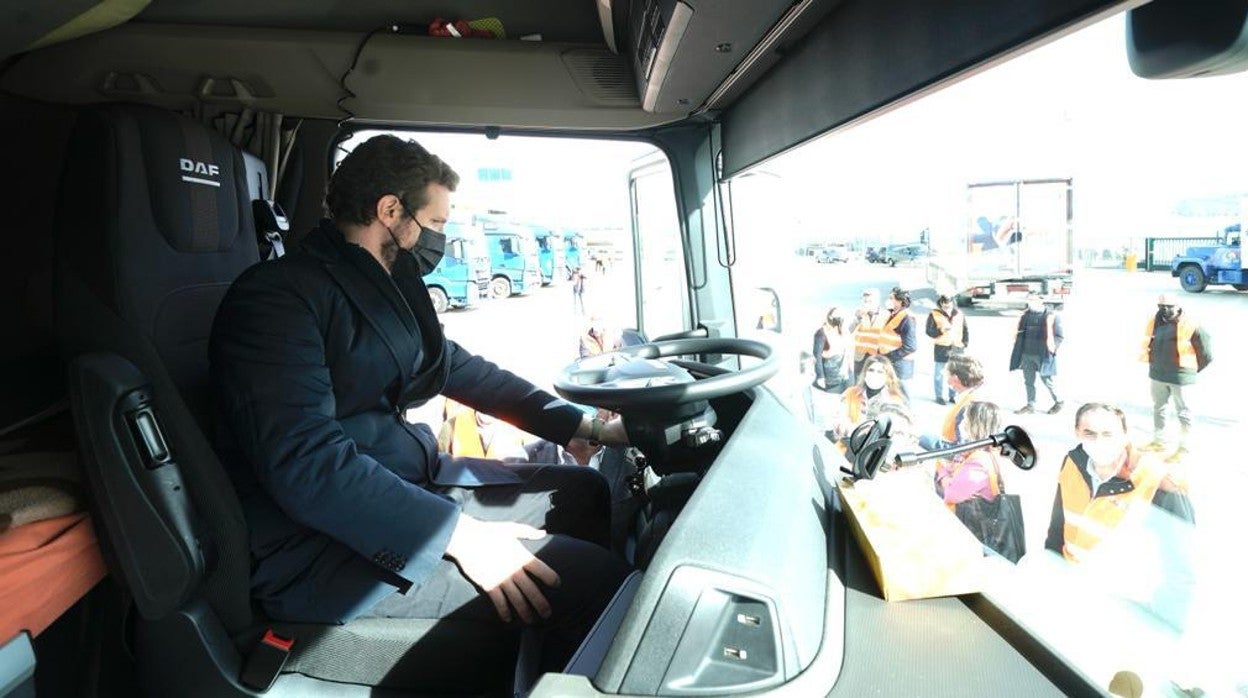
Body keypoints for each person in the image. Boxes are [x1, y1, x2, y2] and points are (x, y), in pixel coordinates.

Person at [210, 135, 631, 671]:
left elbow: (452, 366)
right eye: (435, 223)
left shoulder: (379, 282)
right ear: (390, 211)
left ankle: (540, 658)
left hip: (405, 482)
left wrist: (582, 427)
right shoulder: (279, 299)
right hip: (319, 547)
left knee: (585, 492)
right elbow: (309, 466)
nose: (441, 238)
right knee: (601, 584)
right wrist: (460, 537)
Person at [1044, 403, 1193, 563]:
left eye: (1107, 434)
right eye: (1090, 434)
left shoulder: (1160, 481)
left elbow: (1181, 558)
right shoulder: (1073, 463)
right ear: (1077, 433)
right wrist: (1051, 562)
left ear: (1124, 435)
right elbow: (1058, 524)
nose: (1099, 441)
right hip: (1072, 571)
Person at [1140, 293, 1212, 463]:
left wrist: (1191, 371)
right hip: (1158, 374)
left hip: (1180, 377)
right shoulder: (1155, 321)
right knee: (1159, 408)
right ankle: (1159, 442)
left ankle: (1184, 449)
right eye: (1161, 306)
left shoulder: (1192, 324)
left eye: (1169, 306)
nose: (1164, 310)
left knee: (1184, 413)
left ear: (1178, 306)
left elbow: (1207, 353)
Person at [934, 401, 1004, 508]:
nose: (961, 425)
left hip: (972, 521)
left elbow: (951, 493)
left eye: (966, 421)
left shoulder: (979, 461)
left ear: (975, 426)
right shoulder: (992, 449)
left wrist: (942, 474)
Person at [829, 355, 908, 443]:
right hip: (847, 446)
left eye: (880, 372)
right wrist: (855, 432)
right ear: (865, 373)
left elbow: (900, 433)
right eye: (871, 370)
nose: (875, 374)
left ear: (887, 377)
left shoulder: (894, 401)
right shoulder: (850, 393)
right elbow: (837, 419)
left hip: (875, 452)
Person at [1009, 293, 1063, 414]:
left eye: (1033, 300)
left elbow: (1059, 336)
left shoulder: (1051, 316)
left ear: (1041, 301)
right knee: (1028, 381)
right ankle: (1030, 405)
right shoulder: (1025, 315)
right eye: (1029, 299)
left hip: (1043, 356)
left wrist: (1052, 348)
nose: (1030, 302)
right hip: (1026, 355)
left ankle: (1059, 401)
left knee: (1047, 381)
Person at [925, 294, 970, 404]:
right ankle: (939, 396)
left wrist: (965, 343)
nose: (946, 308)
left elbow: (965, 329)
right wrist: (941, 331)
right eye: (944, 306)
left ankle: (953, 396)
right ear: (940, 304)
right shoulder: (934, 314)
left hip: (957, 347)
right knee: (939, 374)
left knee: (955, 373)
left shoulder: (959, 314)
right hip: (942, 347)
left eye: (948, 306)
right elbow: (929, 331)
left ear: (952, 304)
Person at [876, 287, 918, 392]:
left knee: (900, 396)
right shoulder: (894, 314)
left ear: (899, 301)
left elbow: (910, 346)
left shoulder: (907, 318)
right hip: (892, 362)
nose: (888, 300)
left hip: (900, 364)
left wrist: (888, 357)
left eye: (891, 298)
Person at [812, 307, 854, 394]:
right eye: (835, 314)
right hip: (831, 380)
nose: (838, 317)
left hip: (845, 377)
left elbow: (848, 351)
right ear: (829, 316)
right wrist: (820, 376)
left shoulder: (843, 331)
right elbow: (817, 356)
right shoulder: (821, 332)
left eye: (840, 315)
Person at [849, 288, 884, 377]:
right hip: (860, 356)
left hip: (876, 356)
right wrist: (857, 319)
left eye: (870, 301)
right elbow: (849, 330)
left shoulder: (885, 315)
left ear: (877, 301)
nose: (867, 304)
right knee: (858, 382)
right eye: (865, 301)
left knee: (875, 382)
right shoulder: (859, 314)